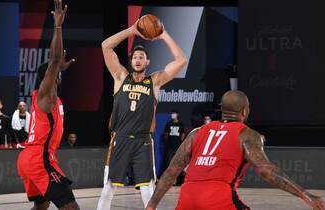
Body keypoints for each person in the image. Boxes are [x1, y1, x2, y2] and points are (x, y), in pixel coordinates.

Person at [145, 90, 325, 210]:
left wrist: (152, 205)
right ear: (245, 111)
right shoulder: (247, 135)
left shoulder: (196, 132)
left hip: (187, 199)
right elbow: (266, 170)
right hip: (219, 198)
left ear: (221, 109)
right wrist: (305, 195)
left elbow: (172, 171)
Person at [97, 18, 187, 210]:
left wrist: (163, 35)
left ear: (147, 61)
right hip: (120, 138)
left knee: (148, 189)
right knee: (109, 187)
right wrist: (131, 30)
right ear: (131, 61)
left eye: (141, 57)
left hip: (143, 141)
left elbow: (181, 60)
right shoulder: (120, 76)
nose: (138, 60)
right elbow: (105, 46)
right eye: (135, 57)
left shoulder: (154, 81)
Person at [17, 0, 78, 209]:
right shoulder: (47, 94)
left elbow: (53, 66)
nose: (58, 76)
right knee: (70, 206)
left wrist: (57, 67)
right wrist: (58, 26)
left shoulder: (46, 97)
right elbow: (53, 61)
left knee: (41, 207)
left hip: (31, 157)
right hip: (38, 158)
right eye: (56, 74)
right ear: (50, 79)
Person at [163, 110, 185, 185]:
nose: (173, 115)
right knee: (170, 163)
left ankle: (181, 180)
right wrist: (168, 142)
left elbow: (182, 134)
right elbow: (166, 134)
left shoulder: (180, 124)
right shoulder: (168, 124)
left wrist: (180, 143)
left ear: (177, 115)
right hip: (170, 147)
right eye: (172, 113)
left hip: (178, 146)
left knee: (179, 163)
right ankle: (172, 181)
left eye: (174, 113)